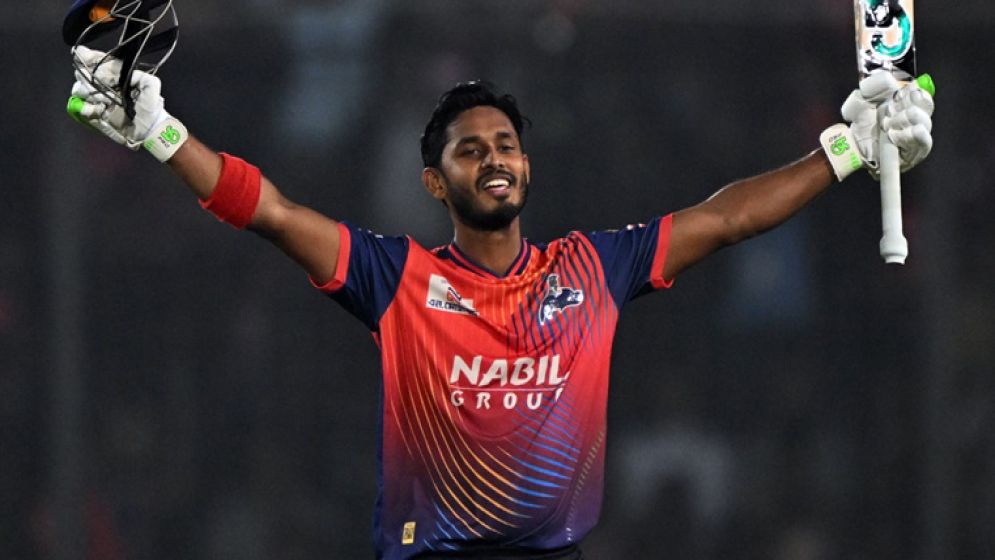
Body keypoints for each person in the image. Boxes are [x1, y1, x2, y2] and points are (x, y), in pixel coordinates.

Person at [66, 44, 934, 559]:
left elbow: (727, 218)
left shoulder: (592, 268)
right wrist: (160, 134)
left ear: (525, 166)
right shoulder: (398, 278)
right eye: (469, 147)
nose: (492, 156)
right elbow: (276, 214)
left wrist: (845, 151)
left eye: (505, 143)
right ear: (433, 181)